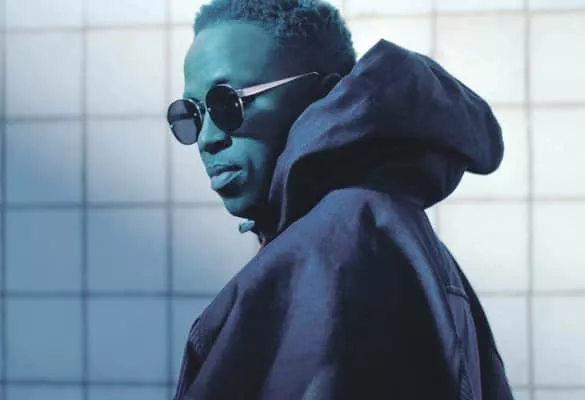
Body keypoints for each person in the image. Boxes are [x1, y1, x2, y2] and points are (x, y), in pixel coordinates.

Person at [167, 0, 514, 399]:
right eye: (191, 114)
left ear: (322, 95)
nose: (208, 139)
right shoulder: (374, 232)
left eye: (227, 103)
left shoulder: (333, 254)